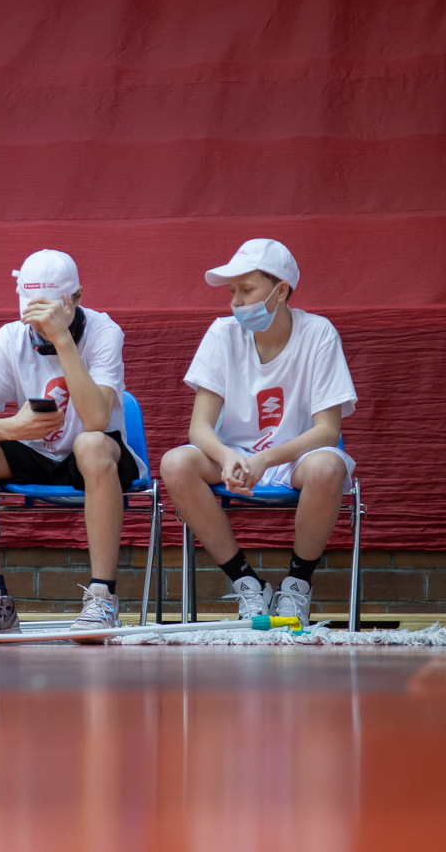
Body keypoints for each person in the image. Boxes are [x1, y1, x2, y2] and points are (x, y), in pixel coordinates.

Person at [0, 249, 146, 635]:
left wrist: (62, 340)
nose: (39, 325)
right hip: (35, 451)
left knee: (91, 443)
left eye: (48, 311)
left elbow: (97, 420)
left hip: (94, 457)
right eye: (31, 314)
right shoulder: (9, 338)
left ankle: (102, 600)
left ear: (76, 298)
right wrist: (13, 428)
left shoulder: (104, 331)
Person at [160, 238, 357, 625]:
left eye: (247, 290)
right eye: (232, 291)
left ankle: (297, 585)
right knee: (175, 463)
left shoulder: (319, 332)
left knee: (327, 467)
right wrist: (226, 456)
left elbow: (327, 430)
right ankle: (247, 584)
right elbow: (199, 428)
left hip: (296, 458)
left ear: (280, 291)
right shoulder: (221, 334)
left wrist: (266, 458)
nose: (236, 301)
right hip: (233, 457)